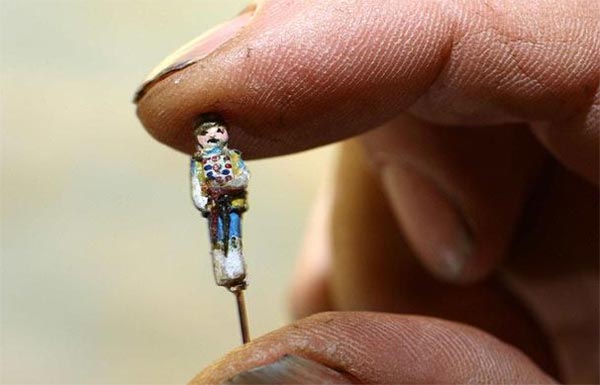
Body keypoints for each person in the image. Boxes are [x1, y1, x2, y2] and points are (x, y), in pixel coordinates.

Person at [134, 1, 599, 383]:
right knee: (227, 253)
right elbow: (200, 189)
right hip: (218, 214)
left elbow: (240, 179)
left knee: (238, 249)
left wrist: (232, 189)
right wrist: (210, 197)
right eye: (210, 138)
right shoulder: (204, 162)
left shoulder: (228, 159)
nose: (214, 142)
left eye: (217, 136)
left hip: (229, 208)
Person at [190, 115, 249, 288]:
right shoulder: (199, 162)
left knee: (233, 235)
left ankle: (235, 269)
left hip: (232, 205)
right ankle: (223, 271)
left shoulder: (234, 157)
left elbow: (243, 178)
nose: (213, 136)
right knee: (217, 238)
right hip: (214, 207)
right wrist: (204, 201)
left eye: (219, 131)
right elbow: (196, 184)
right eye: (205, 133)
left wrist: (230, 185)